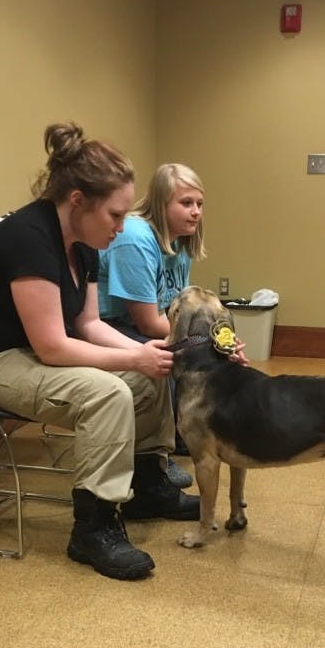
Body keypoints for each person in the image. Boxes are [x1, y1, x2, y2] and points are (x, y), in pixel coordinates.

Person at [0, 122, 199, 582]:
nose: (122, 228)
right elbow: (53, 346)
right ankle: (93, 528)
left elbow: (88, 323)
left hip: (32, 350)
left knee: (149, 371)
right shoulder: (27, 236)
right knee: (107, 392)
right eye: (115, 216)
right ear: (77, 200)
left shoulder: (85, 243)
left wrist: (153, 352)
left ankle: (147, 487)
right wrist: (134, 357)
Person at [97, 164, 207, 484]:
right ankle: (154, 460)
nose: (196, 212)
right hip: (108, 325)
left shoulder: (181, 242)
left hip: (143, 322)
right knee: (169, 356)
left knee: (201, 350)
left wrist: (213, 336)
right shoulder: (135, 238)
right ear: (162, 204)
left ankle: (182, 431)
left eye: (199, 204)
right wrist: (199, 339)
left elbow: (177, 308)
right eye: (186, 203)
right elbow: (147, 324)